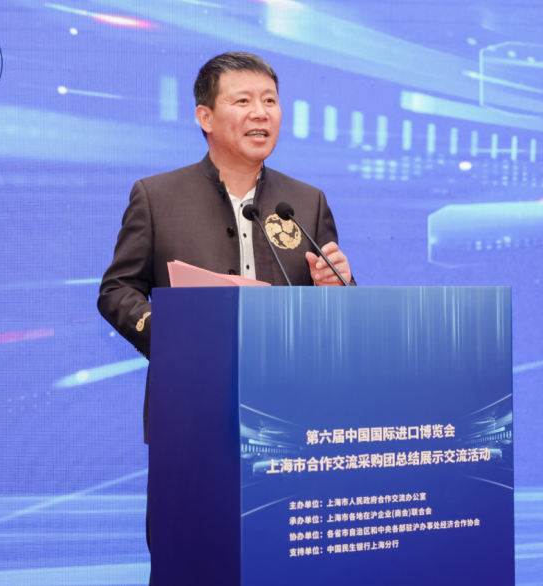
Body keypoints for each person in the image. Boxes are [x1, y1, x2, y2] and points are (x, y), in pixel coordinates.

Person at [96, 51, 354, 572]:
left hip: (289, 419)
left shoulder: (306, 202)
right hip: (191, 420)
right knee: (192, 563)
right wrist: (174, 340)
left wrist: (339, 287)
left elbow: (336, 316)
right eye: (243, 101)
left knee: (287, 560)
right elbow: (117, 289)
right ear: (205, 116)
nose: (261, 113)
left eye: (270, 101)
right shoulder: (157, 197)